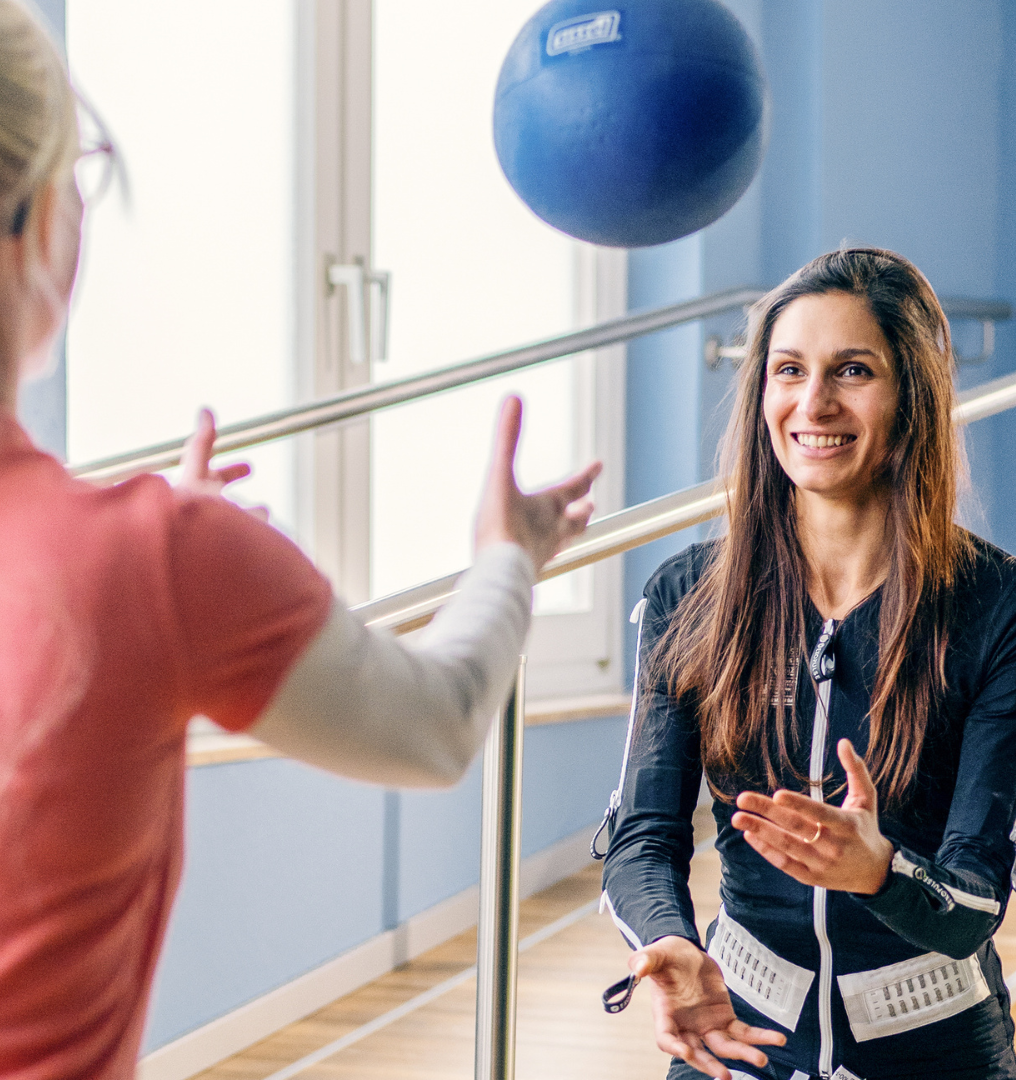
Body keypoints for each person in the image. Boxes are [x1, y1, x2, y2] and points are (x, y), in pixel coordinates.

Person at [0, 2, 601, 1077]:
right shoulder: (155, 563)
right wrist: (507, 554)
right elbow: (436, 721)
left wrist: (145, 591)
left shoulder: (142, 565)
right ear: (44, 216)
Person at [599, 247, 1016, 1080]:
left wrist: (881, 872)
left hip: (938, 1048)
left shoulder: (1013, 614)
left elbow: (975, 901)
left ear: (914, 397)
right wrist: (667, 940)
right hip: (734, 1036)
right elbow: (644, 837)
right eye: (789, 370)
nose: (812, 403)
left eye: (852, 370)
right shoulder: (685, 594)